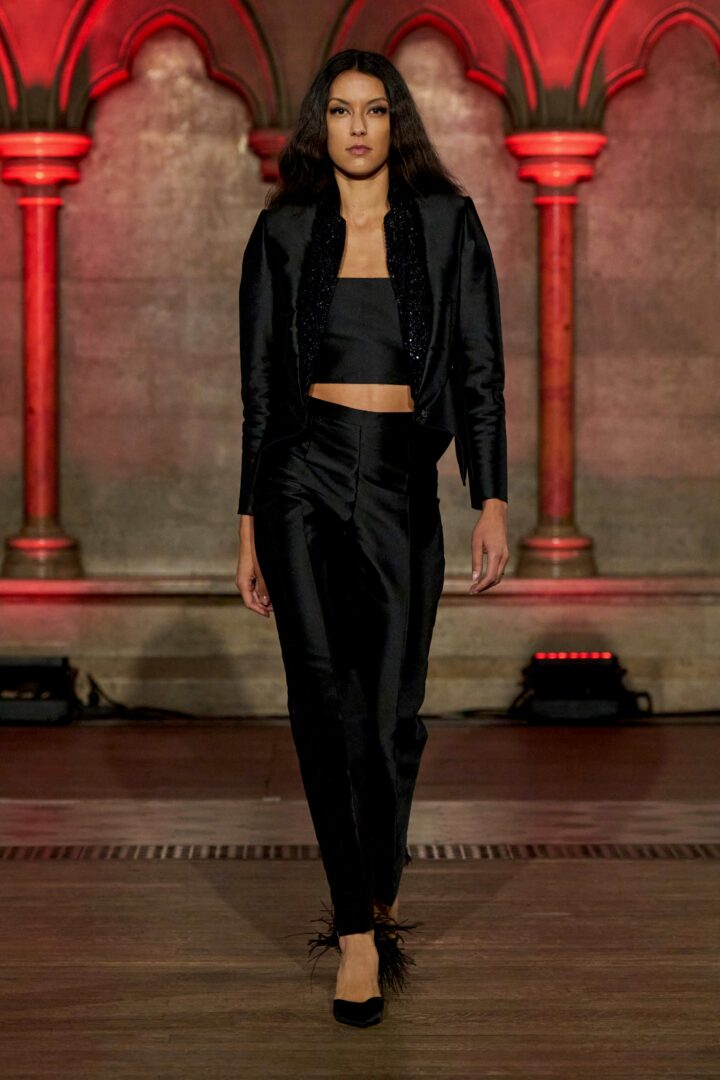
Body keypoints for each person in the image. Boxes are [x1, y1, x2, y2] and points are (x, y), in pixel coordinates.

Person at [235, 48, 509, 1027]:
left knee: (390, 716)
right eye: (343, 111)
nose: (358, 127)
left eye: (376, 110)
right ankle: (355, 930)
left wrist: (491, 500)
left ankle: (377, 888)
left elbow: (479, 366)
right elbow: (260, 395)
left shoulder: (446, 223)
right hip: (300, 477)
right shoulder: (281, 232)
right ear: (322, 124)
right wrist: (248, 527)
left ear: (397, 123)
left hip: (400, 479)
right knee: (319, 698)